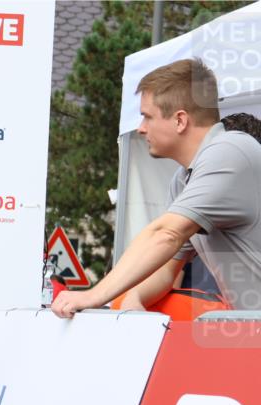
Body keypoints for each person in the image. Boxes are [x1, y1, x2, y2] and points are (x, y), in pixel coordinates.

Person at [52, 59, 261, 318]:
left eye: (147, 116)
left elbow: (166, 235)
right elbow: (167, 266)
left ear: (180, 120)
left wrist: (93, 295)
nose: (141, 128)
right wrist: (134, 297)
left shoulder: (229, 151)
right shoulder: (183, 179)